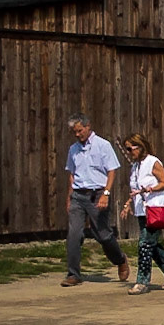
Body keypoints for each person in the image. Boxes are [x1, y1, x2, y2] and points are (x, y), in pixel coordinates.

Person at [62, 114, 130, 287]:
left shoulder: (103, 145)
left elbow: (112, 171)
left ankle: (120, 259)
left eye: (79, 130)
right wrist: (69, 197)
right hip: (78, 195)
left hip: (97, 195)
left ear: (88, 127)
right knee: (74, 234)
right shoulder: (73, 149)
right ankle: (73, 274)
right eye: (74, 132)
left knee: (103, 235)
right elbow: (72, 174)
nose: (77, 134)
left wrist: (106, 194)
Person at [118, 133, 164, 295]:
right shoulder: (135, 167)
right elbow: (135, 189)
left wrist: (152, 189)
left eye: (129, 149)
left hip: (154, 209)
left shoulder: (152, 162)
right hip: (142, 211)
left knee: (145, 245)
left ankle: (142, 281)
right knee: (153, 247)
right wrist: (128, 204)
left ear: (139, 147)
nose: (128, 153)